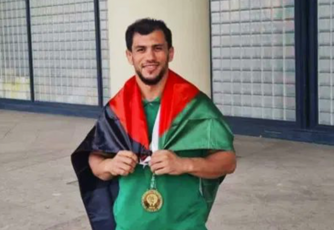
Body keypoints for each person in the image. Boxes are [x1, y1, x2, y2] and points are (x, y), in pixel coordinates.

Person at [71, 18, 236, 230]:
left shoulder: (196, 105)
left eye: (157, 48)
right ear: (130, 56)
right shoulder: (116, 109)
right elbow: (95, 159)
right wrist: (110, 165)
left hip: (185, 225)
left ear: (170, 53)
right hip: (129, 224)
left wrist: (185, 164)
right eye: (141, 49)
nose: (149, 57)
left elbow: (228, 161)